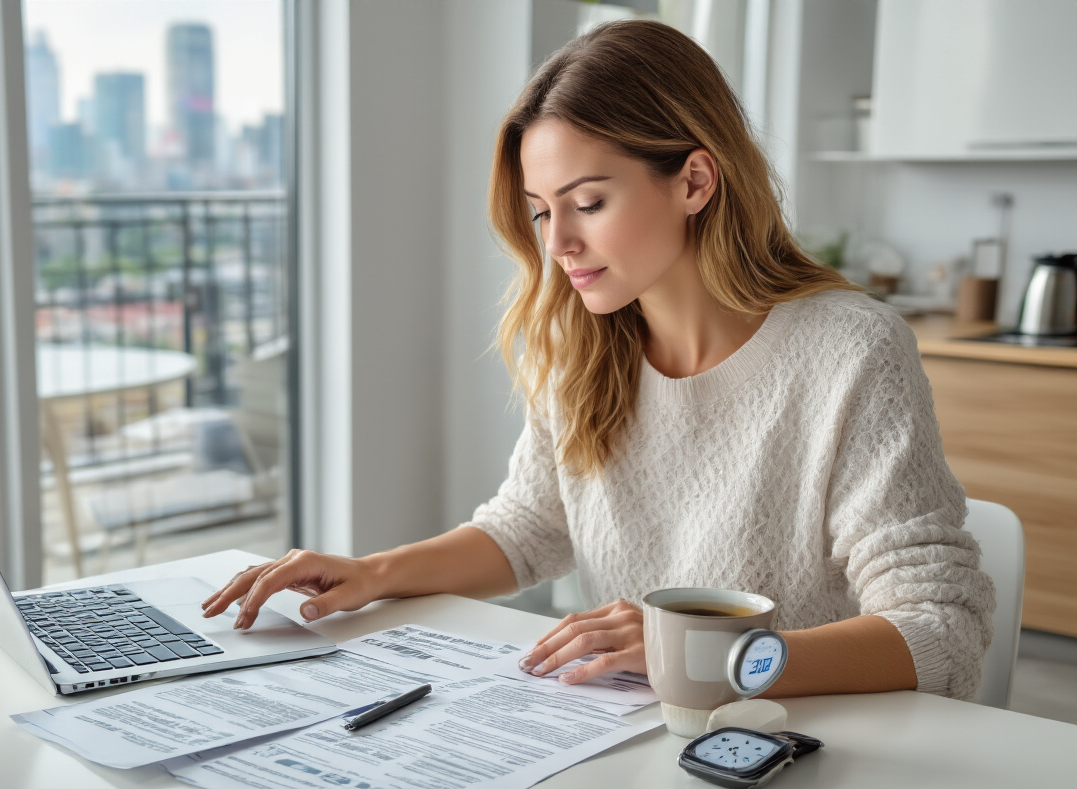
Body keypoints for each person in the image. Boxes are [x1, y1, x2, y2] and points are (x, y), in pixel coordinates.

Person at [201, 20, 995, 701]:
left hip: (794, 747)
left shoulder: (848, 350)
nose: (558, 245)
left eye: (588, 203)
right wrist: (373, 573)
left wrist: (704, 657)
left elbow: (941, 634)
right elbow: (530, 530)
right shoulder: (585, 343)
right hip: (621, 730)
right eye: (542, 211)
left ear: (693, 179)